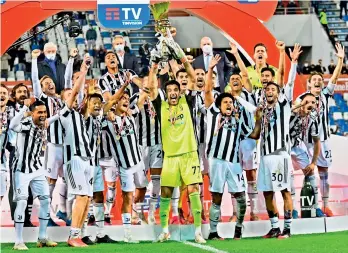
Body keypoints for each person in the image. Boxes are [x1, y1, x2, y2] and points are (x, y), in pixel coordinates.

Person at [148, 36, 206, 243]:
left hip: (189, 155)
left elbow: (191, 75)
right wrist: (153, 66)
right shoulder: (160, 106)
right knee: (165, 192)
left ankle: (198, 231)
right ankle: (164, 230)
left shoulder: (187, 101)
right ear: (166, 93)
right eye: (169, 90)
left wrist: (178, 52)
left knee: (193, 190)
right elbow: (151, 87)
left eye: (176, 90)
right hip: (170, 157)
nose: (173, 93)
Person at [205, 55, 263, 240]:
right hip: (216, 161)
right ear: (219, 105)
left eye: (231, 102)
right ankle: (213, 232)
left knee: (241, 196)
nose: (229, 104)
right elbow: (207, 92)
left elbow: (253, 135)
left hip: (234, 162)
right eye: (225, 102)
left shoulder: (237, 120)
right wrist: (210, 70)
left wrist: (259, 119)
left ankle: (239, 227)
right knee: (216, 197)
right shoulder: (213, 113)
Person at [295, 43, 344, 217]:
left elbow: (336, 77)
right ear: (308, 84)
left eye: (319, 80)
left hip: (322, 140)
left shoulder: (324, 95)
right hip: (305, 142)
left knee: (324, 173)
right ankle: (309, 206)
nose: (317, 82)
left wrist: (340, 59)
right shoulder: (300, 99)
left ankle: (325, 205)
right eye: (314, 80)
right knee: (308, 174)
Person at [31, 48, 77, 227]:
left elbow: (67, 81)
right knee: (50, 181)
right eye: (46, 82)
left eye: (51, 81)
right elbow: (35, 80)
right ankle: (47, 215)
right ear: (41, 88)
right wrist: (34, 60)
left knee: (67, 179)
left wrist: (72, 59)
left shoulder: (59, 98)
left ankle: (62, 211)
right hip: (52, 145)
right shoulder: (42, 99)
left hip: (67, 145)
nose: (49, 83)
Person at [10, 99, 59, 250]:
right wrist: (25, 107)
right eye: (40, 112)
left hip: (37, 168)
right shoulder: (26, 124)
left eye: (45, 112)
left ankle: (42, 237)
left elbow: (56, 117)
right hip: (21, 169)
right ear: (32, 113)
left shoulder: (44, 123)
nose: (43, 115)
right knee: (23, 202)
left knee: (46, 200)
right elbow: (12, 126)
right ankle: (18, 241)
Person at [104, 87, 149, 243]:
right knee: (127, 197)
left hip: (138, 163)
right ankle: (127, 233)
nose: (125, 100)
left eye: (127, 98)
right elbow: (106, 106)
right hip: (125, 167)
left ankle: (135, 211)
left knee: (142, 189)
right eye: (122, 98)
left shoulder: (130, 115)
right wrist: (123, 86)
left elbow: (143, 98)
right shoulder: (108, 120)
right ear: (116, 102)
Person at [58, 57, 93, 247]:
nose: (73, 95)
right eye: (69, 94)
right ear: (64, 98)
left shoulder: (78, 115)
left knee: (86, 198)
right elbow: (78, 90)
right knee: (80, 197)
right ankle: (73, 236)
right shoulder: (63, 112)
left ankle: (77, 235)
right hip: (75, 159)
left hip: (86, 158)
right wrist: (83, 70)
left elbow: (84, 95)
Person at [129, 77, 166, 225]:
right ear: (140, 85)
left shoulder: (161, 95)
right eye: (146, 83)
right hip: (140, 145)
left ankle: (151, 213)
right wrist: (143, 97)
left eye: (152, 83)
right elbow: (131, 113)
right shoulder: (135, 98)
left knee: (157, 180)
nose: (149, 86)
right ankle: (137, 213)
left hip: (157, 143)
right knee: (141, 184)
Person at [290, 93, 325, 218]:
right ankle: (292, 209)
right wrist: (299, 105)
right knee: (289, 178)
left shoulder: (312, 120)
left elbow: (317, 142)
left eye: (313, 103)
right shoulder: (291, 112)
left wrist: (314, 162)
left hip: (297, 147)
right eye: (307, 102)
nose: (310, 104)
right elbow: (282, 113)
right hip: (284, 149)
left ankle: (315, 208)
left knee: (310, 173)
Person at [7, 83, 35, 228]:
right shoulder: (9, 110)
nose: (23, 94)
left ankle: (27, 218)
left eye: (25, 91)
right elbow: (10, 126)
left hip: (32, 153)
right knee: (16, 186)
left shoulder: (34, 110)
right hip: (16, 152)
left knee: (30, 187)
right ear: (14, 95)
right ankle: (17, 218)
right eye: (19, 92)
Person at [0, 84, 12, 203]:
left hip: (2, 160)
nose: (2, 95)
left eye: (4, 93)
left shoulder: (11, 113)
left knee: (1, 192)